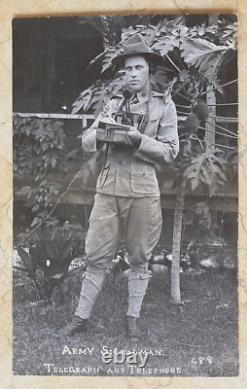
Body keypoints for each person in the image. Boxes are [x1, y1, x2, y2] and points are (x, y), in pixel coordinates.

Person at [59, 33, 179, 340]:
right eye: (127, 70)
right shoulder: (113, 104)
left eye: (138, 68)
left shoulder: (164, 107)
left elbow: (169, 152)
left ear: (149, 71)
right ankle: (80, 318)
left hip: (142, 191)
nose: (133, 74)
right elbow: (86, 143)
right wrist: (104, 133)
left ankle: (132, 319)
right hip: (108, 190)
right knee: (95, 255)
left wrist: (136, 138)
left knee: (139, 256)